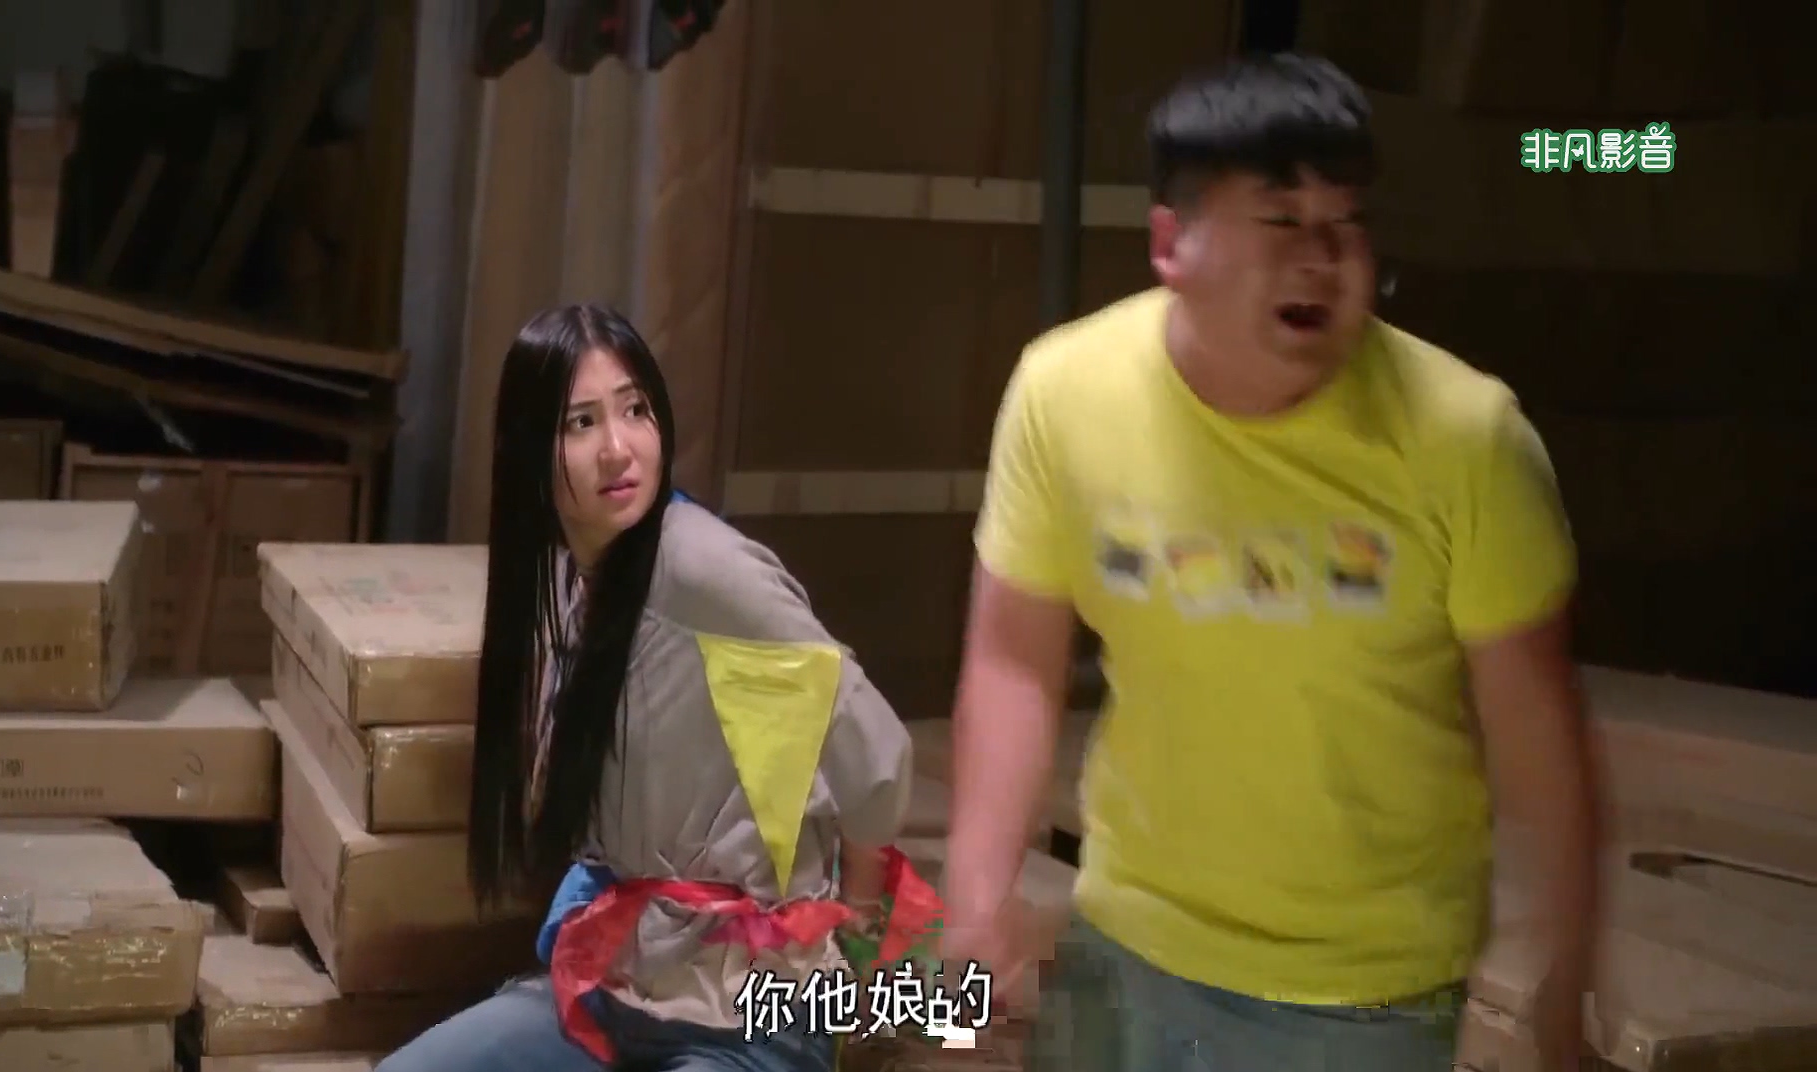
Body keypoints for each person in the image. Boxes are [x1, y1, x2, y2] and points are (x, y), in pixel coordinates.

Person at [941, 55, 1601, 1072]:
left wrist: (1564, 970)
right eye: (1282, 221)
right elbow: (1013, 657)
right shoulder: (1065, 393)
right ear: (1172, 243)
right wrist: (977, 899)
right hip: (1123, 943)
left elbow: (1536, 734)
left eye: (1347, 223)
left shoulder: (1467, 439)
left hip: (1367, 993)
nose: (1322, 259)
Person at [377, 305, 917, 1072]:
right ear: (530, 451)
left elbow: (875, 752)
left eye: (635, 411)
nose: (618, 448)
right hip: (617, 987)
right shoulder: (573, 577)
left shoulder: (707, 574)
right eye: (581, 423)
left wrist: (857, 939)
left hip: (748, 1010)